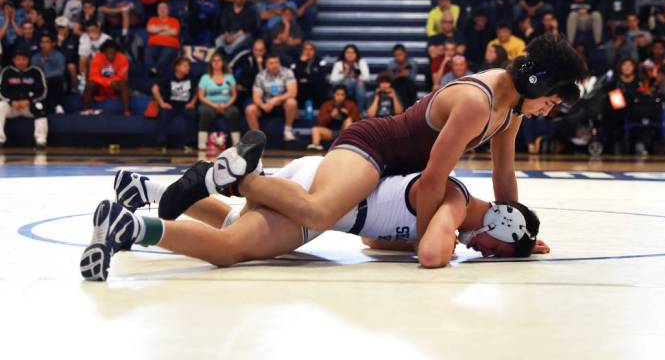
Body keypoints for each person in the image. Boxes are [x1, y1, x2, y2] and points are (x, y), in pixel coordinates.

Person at [164, 34, 586, 244]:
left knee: (259, 223)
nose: (546, 111)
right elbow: (435, 178)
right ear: (535, 80)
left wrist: (518, 232)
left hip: (396, 167)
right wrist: (425, 241)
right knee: (317, 213)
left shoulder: (511, 109)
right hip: (374, 147)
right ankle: (239, 178)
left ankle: (188, 185)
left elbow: (504, 173)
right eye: (549, 102)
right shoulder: (480, 100)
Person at [81, 156, 547, 280]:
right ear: (501, 223)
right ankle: (132, 228)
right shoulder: (454, 201)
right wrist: (450, 234)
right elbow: (430, 256)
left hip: (316, 184)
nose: (484, 253)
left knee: (232, 227)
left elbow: (374, 244)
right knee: (230, 251)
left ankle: (144, 190)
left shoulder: (456, 210)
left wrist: (517, 249)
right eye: (495, 249)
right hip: (320, 201)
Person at [0, 46, 47, 147]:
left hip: (29, 106)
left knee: (40, 106)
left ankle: (41, 139)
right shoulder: (7, 72)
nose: (21, 62)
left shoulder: (36, 72)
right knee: (0, 106)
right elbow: (1, 91)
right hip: (12, 106)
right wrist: (11, 101)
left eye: (23, 59)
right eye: (18, 59)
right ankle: (0, 139)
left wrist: (28, 101)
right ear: (13, 60)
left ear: (28, 60)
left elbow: (42, 91)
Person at [245, 53, 298, 142]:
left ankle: (287, 131)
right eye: (271, 63)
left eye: (276, 62)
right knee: (250, 109)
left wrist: (277, 99)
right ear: (266, 64)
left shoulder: (287, 72)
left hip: (282, 105)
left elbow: (293, 92)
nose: (274, 65)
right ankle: (257, 138)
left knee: (292, 102)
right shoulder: (261, 76)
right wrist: (263, 105)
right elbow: (256, 97)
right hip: (266, 105)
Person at [197, 52, 241, 150]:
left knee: (234, 112)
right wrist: (214, 105)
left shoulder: (229, 77)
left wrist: (226, 105)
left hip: (226, 104)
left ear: (222, 63)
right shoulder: (205, 78)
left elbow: (234, 95)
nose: (216, 63)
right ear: (211, 63)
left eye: (219, 60)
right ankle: (202, 143)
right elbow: (201, 96)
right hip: (209, 104)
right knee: (205, 112)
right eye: (214, 61)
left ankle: (237, 143)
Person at [152, 57, 197, 150]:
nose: (188, 68)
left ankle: (190, 144)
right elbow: (154, 88)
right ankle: (162, 144)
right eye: (185, 66)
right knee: (163, 114)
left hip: (185, 106)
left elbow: (199, 90)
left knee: (193, 115)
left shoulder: (191, 77)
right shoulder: (169, 77)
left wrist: (192, 102)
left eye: (188, 66)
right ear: (177, 67)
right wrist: (162, 103)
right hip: (171, 106)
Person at [81, 40, 130, 116]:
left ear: (116, 52)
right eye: (108, 53)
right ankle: (86, 110)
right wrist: (108, 82)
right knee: (89, 84)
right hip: (101, 87)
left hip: (114, 87)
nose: (111, 56)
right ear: (103, 52)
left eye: (113, 53)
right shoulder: (97, 57)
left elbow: (122, 76)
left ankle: (127, 111)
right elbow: (93, 76)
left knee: (123, 83)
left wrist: (111, 82)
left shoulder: (123, 58)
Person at [307, 85, 360, 151]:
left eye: (342, 95)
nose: (340, 97)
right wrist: (331, 116)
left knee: (348, 121)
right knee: (315, 129)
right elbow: (320, 122)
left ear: (345, 96)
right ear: (333, 95)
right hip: (330, 132)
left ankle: (346, 146)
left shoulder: (351, 104)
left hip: (344, 132)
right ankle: (315, 146)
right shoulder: (326, 105)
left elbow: (358, 122)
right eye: (337, 94)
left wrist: (347, 115)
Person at [329, 44, 370, 112]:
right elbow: (332, 79)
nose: (350, 54)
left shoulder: (361, 62)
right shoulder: (339, 64)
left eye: (352, 52)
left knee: (360, 84)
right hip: (342, 86)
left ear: (356, 54)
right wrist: (344, 74)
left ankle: (360, 112)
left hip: (356, 87)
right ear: (344, 54)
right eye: (348, 52)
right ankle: (337, 110)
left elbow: (367, 78)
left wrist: (356, 76)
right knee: (336, 86)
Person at [31, 32, 65, 113]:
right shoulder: (35, 57)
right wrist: (42, 78)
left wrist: (45, 76)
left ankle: (58, 105)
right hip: (40, 81)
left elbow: (60, 71)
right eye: (42, 42)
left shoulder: (59, 56)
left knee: (56, 80)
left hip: (54, 81)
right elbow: (34, 71)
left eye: (47, 42)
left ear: (53, 44)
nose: (44, 44)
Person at [145, 2, 180, 78]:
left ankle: (155, 70)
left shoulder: (174, 20)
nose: (162, 10)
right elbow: (150, 29)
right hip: (153, 45)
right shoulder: (153, 19)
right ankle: (153, 70)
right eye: (160, 8)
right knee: (148, 51)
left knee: (166, 54)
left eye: (164, 8)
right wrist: (165, 28)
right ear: (157, 10)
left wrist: (157, 31)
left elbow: (174, 32)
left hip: (170, 45)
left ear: (168, 10)